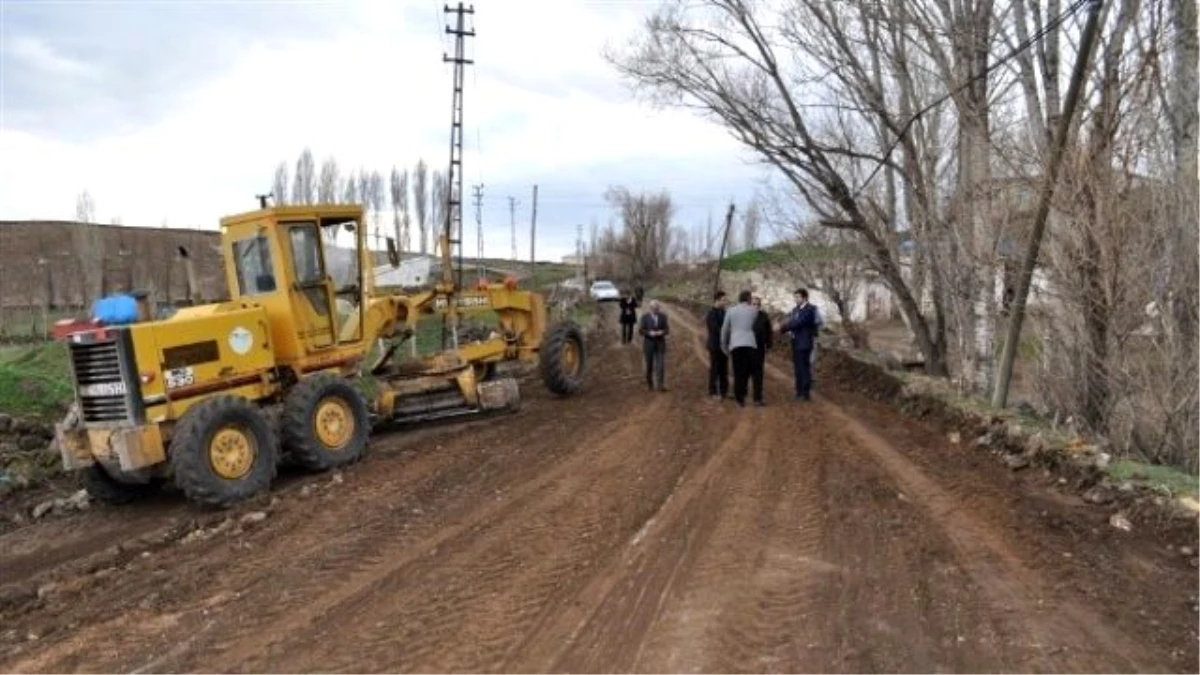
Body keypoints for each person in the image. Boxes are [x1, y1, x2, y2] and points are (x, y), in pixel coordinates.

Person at [721, 290, 763, 407]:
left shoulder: (730, 311)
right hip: (750, 343)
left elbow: (725, 330)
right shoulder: (754, 310)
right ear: (749, 299)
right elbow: (752, 323)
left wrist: (724, 345)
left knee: (738, 371)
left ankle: (739, 399)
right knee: (752, 370)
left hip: (736, 344)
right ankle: (749, 394)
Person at [778, 288, 819, 401]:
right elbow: (790, 320)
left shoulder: (810, 309)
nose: (796, 299)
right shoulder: (795, 309)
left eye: (798, 297)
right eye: (795, 297)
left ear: (805, 297)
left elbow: (799, 322)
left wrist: (783, 328)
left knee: (804, 367)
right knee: (797, 367)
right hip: (795, 341)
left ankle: (805, 393)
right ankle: (799, 391)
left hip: (805, 342)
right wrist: (782, 327)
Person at [639, 299, 670, 391]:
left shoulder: (663, 317)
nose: (655, 309)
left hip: (660, 344)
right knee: (649, 365)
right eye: (653, 308)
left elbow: (667, 330)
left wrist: (662, 332)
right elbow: (641, 330)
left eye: (657, 308)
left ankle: (660, 385)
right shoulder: (644, 317)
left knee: (660, 366)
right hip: (649, 344)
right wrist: (649, 333)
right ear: (650, 308)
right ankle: (650, 384)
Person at [705, 291, 730, 400]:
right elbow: (715, 329)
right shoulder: (711, 314)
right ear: (717, 300)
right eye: (724, 300)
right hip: (715, 345)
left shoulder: (724, 312)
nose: (725, 302)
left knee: (724, 369)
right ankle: (713, 391)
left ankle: (724, 391)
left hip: (724, 345)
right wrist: (726, 333)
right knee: (715, 368)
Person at [751, 295, 773, 400]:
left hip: (759, 348)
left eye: (757, 304)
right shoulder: (744, 316)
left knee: (758, 373)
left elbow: (769, 331)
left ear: (760, 305)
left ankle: (758, 397)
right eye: (753, 304)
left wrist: (768, 345)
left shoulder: (764, 316)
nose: (755, 306)